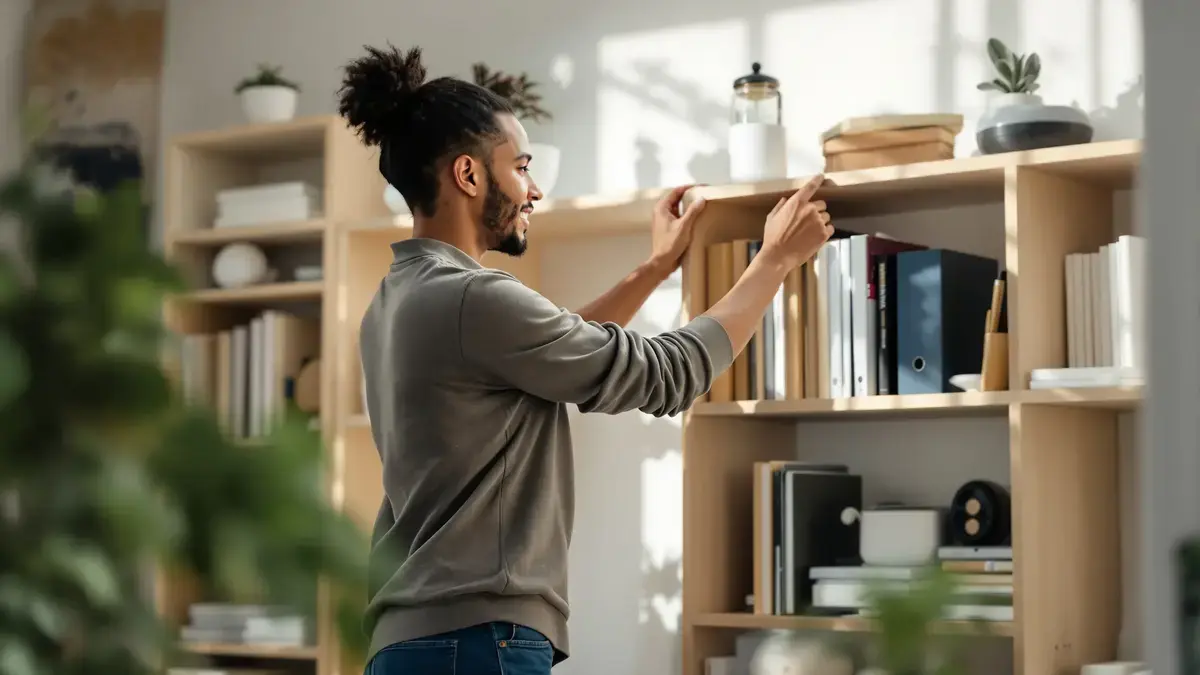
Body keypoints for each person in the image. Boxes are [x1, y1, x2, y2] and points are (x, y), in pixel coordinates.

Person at [337, 44, 834, 675]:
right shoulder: (471, 297)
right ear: (468, 175)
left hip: (418, 641)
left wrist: (654, 269)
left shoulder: (399, 298)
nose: (534, 189)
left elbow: (559, 347)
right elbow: (665, 375)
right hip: (475, 638)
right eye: (519, 166)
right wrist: (773, 262)